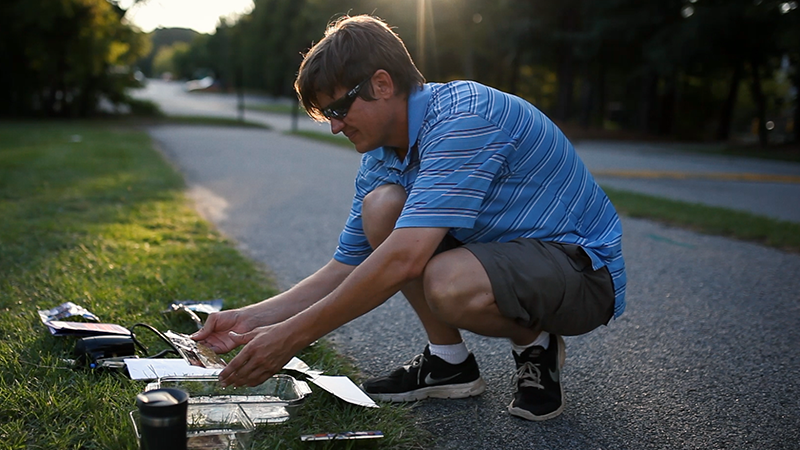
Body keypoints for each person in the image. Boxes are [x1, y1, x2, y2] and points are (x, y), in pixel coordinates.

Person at [191, 14, 626, 422]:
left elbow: (402, 260)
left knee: (445, 279)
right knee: (382, 208)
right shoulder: (382, 156)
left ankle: (536, 345)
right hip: (505, 260)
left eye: (338, 109)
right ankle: (449, 363)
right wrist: (251, 320)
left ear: (381, 84)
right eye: (326, 115)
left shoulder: (463, 117)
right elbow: (346, 267)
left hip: (581, 274)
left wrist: (291, 337)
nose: (334, 127)